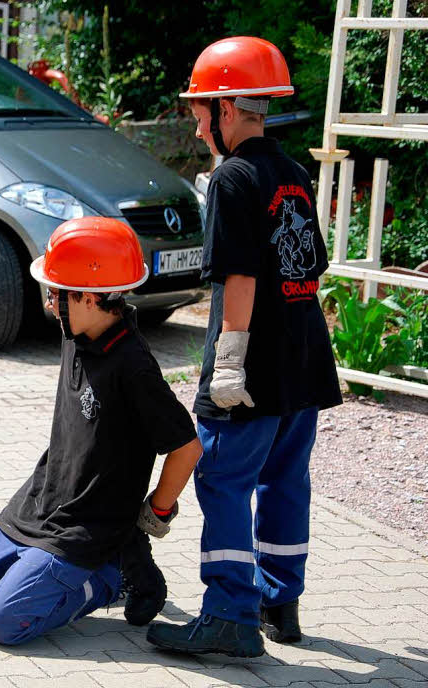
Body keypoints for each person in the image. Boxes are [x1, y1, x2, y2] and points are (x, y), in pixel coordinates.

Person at [146, 37, 341, 657]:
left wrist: (228, 361)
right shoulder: (294, 174)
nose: (198, 124)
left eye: (201, 110)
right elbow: (314, 264)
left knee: (224, 479)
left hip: (252, 366)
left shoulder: (232, 179)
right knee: (286, 478)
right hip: (305, 359)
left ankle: (231, 610)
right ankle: (281, 603)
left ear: (227, 108)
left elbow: (241, 277)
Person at [0, 218, 202, 645]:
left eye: (56, 292)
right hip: (41, 501)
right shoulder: (77, 328)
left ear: (89, 297)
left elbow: (187, 448)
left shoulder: (134, 366)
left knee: (2, 623)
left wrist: (152, 515)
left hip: (89, 527)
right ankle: (44, 568)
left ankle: (114, 573)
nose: (49, 302)